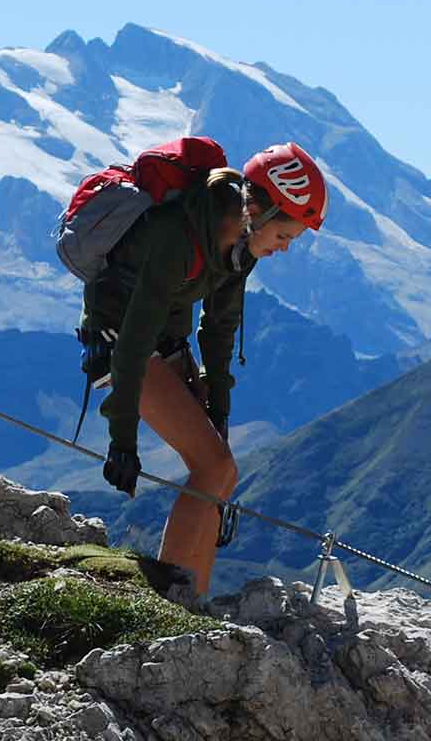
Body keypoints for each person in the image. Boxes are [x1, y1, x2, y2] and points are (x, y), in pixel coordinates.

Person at [81, 142, 326, 598]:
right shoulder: (178, 234)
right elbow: (134, 338)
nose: (284, 249)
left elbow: (218, 330)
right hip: (120, 343)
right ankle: (170, 603)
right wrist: (122, 442)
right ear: (257, 209)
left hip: (160, 344)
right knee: (213, 470)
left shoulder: (239, 247)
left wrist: (220, 415)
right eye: (284, 235)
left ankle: (194, 600)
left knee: (221, 471)